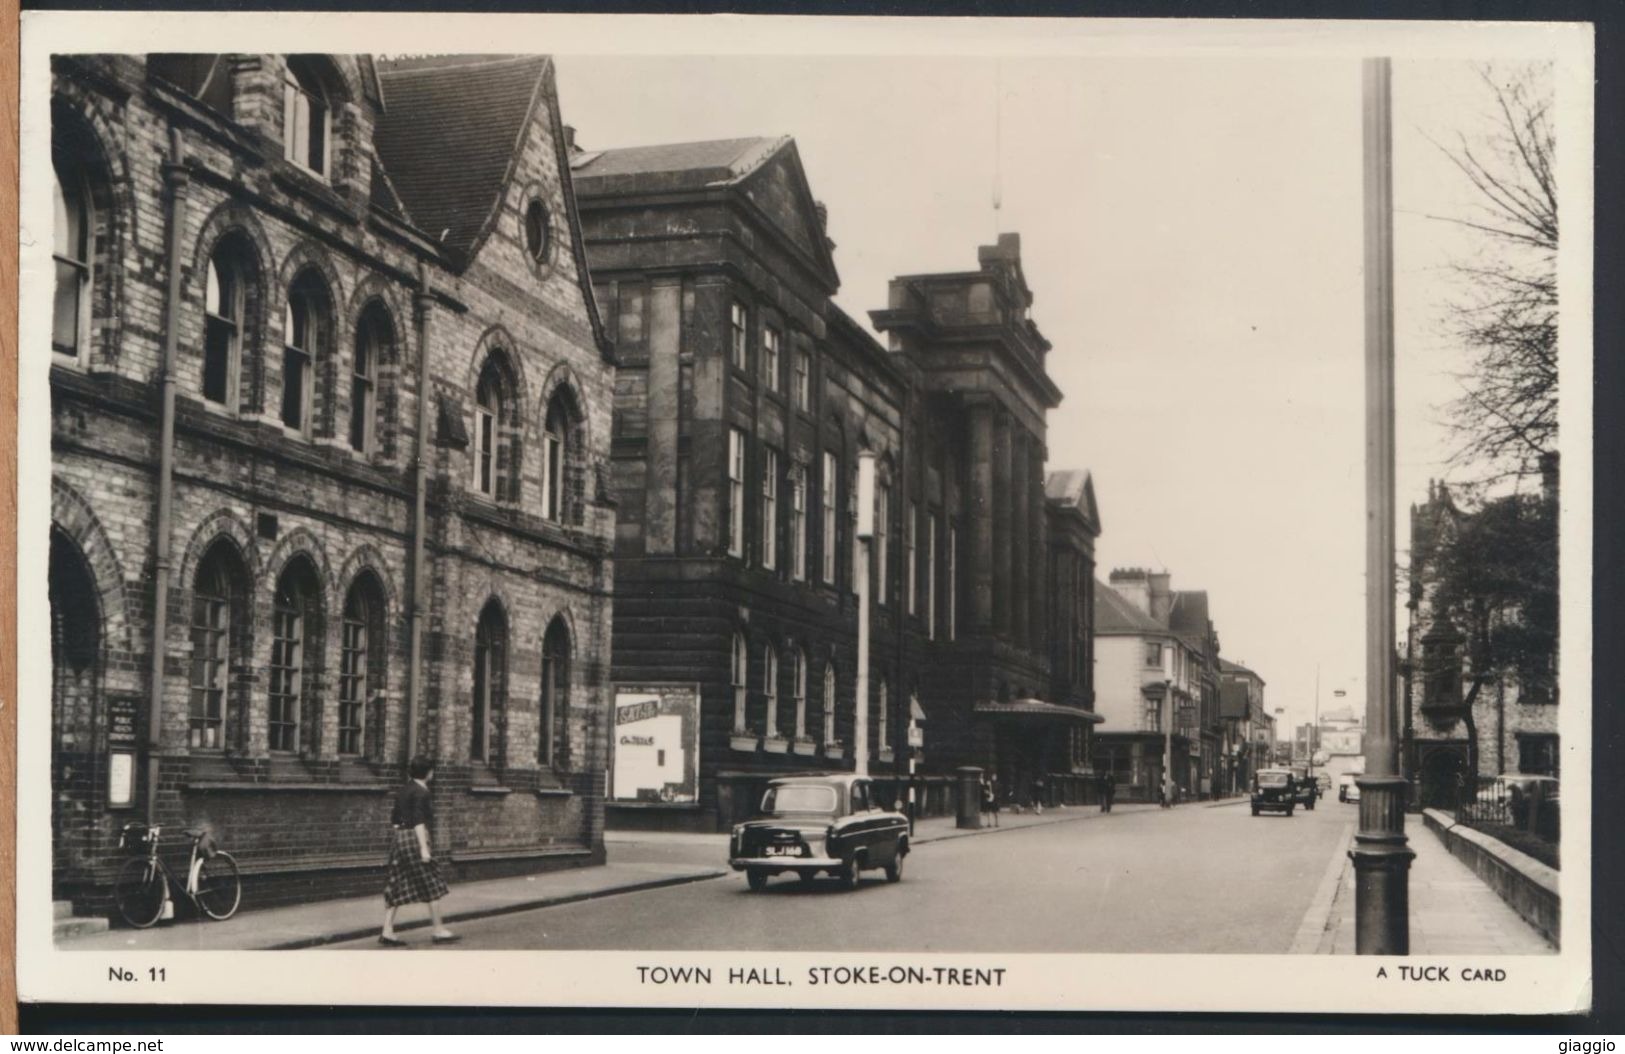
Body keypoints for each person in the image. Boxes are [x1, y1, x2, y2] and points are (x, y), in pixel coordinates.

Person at [379, 756, 458, 946]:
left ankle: (387, 931)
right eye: (432, 770)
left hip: (399, 839)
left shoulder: (404, 790)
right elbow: (419, 821)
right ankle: (438, 930)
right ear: (428, 772)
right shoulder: (422, 792)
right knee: (432, 882)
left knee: (396, 883)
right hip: (416, 838)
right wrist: (424, 848)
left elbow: (395, 821)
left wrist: (401, 837)